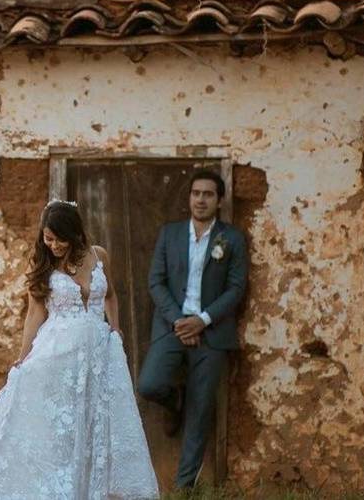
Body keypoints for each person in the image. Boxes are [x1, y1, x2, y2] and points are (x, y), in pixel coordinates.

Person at [0, 199, 159, 499]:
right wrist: (23, 358)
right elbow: (35, 314)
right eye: (47, 238)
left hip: (99, 356)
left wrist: (115, 328)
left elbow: (110, 295)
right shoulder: (43, 265)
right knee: (60, 427)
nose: (54, 245)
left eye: (59, 238)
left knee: (97, 423)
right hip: (58, 355)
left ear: (75, 234)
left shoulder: (99, 256)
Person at [137, 169, 248, 490]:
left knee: (201, 410)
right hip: (173, 327)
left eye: (208, 194)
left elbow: (236, 288)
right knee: (149, 383)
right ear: (189, 198)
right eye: (196, 193)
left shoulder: (232, 239)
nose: (201, 199)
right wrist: (180, 321)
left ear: (219, 200)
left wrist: (203, 319)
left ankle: (184, 488)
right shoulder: (169, 234)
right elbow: (155, 282)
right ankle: (174, 400)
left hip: (212, 334)